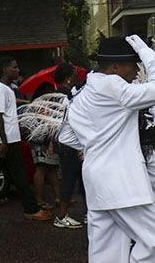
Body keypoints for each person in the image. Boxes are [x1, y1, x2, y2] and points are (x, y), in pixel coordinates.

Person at [59, 35, 155, 262]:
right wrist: (148, 54)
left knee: (106, 252)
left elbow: (66, 135)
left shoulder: (84, 91)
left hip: (97, 182)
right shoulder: (112, 84)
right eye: (133, 65)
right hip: (121, 182)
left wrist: (96, 143)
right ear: (115, 67)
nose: (135, 71)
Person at [0, 56, 53, 221]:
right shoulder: (1, 89)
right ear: (5, 70)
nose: (17, 70)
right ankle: (31, 209)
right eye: (14, 67)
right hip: (7, 139)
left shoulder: (6, 89)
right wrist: (4, 142)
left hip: (6, 138)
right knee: (19, 174)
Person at [52, 63, 86, 229]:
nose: (76, 77)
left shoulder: (56, 94)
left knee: (79, 179)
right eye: (74, 75)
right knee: (70, 179)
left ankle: (88, 214)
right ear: (68, 78)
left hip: (63, 142)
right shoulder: (69, 95)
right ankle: (61, 216)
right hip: (70, 144)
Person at [28, 82, 60, 211]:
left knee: (51, 168)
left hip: (42, 140)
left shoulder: (37, 103)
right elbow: (44, 121)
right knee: (42, 168)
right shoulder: (40, 104)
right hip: (42, 141)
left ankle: (59, 196)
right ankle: (39, 199)